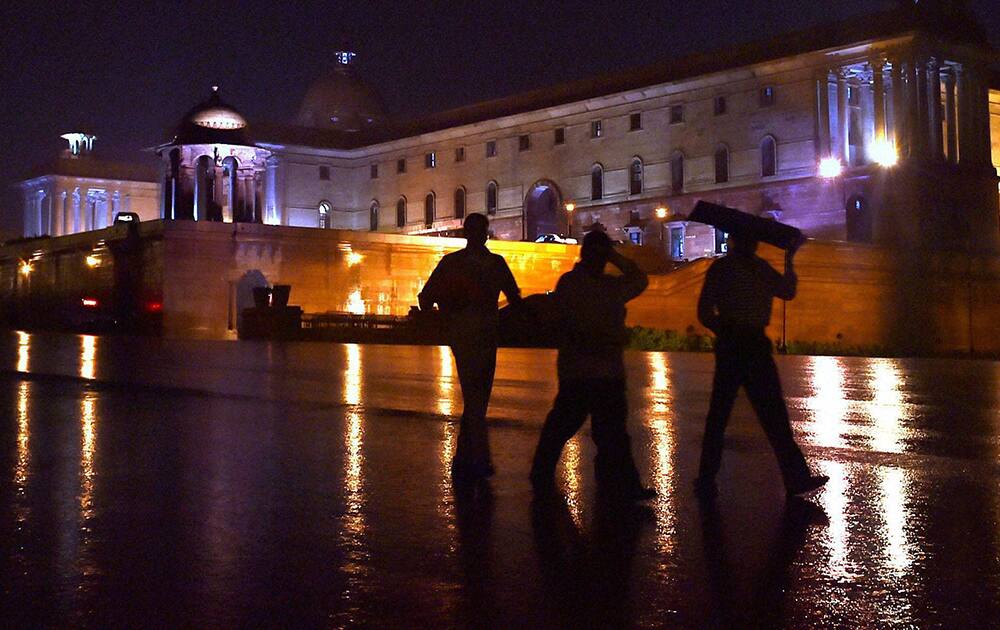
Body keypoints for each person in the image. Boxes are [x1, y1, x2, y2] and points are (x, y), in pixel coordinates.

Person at [694, 231, 827, 500]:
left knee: (753, 414)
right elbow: (705, 311)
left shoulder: (735, 268)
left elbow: (786, 291)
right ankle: (793, 478)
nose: (752, 243)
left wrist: (789, 261)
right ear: (738, 241)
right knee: (746, 414)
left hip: (747, 342)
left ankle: (708, 480)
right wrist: (724, 328)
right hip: (743, 343)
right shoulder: (729, 269)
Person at [530, 230, 655, 502]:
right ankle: (542, 473)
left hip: (605, 369)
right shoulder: (572, 284)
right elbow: (562, 322)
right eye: (598, 254)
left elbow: (640, 279)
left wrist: (613, 256)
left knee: (612, 433)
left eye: (604, 255)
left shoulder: (609, 285)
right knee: (569, 423)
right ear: (587, 255)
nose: (600, 260)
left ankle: (620, 486)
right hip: (582, 369)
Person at [419, 213, 521, 482]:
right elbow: (515, 299)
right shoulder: (496, 264)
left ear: (465, 234)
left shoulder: (451, 264)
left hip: (462, 337)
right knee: (478, 398)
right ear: (486, 234)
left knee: (474, 398)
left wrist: (448, 309)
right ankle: (477, 458)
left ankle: (466, 458)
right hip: (486, 337)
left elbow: (425, 299)